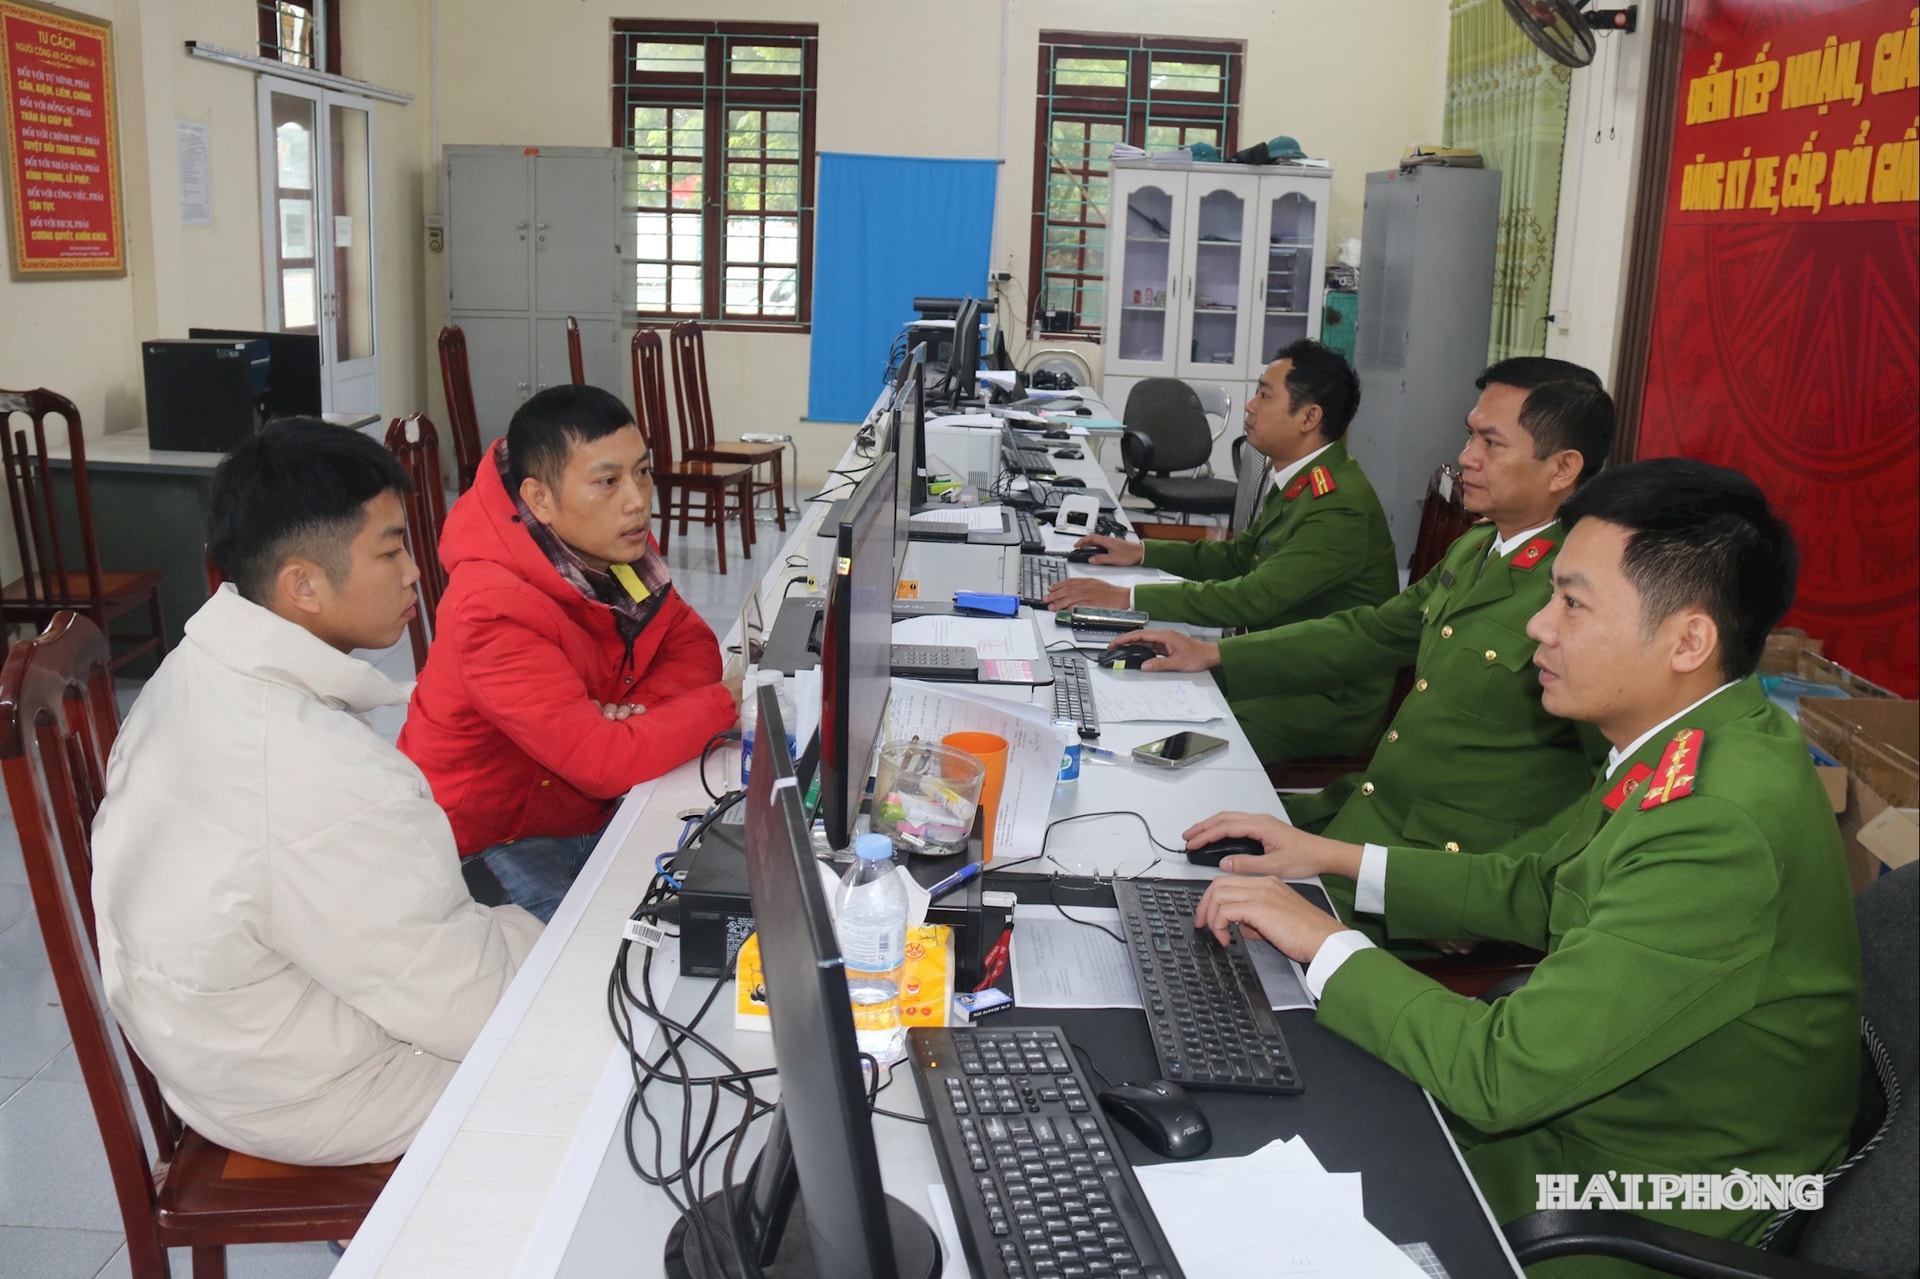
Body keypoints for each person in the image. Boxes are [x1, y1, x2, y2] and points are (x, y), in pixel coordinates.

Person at [1182, 458, 1862, 1268]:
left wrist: (1323, 942)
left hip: (1636, 1202)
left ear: (1688, 639)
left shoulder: (1715, 821)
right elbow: (1539, 883)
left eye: (1572, 602)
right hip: (1582, 1115)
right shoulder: (1696, 738)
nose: (1540, 624)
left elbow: (1503, 1074)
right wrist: (1325, 856)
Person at [90, 420, 542, 1166]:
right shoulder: (315, 769)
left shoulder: (194, 669)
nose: (413, 573)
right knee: (593, 1052)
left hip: (209, 1044)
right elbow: (472, 1005)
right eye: (391, 549)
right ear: (302, 583)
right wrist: (552, 935)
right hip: (308, 1090)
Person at [1115, 358, 1616, 934]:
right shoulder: (1479, 549)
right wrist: (1216, 653)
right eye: (1470, 434)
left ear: (1563, 469)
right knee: (1160, 830)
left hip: (1434, 875)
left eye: (1491, 442)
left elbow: (1605, 785)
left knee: (1180, 919)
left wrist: (1474, 904)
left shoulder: (1580, 599)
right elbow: (1372, 632)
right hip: (1367, 822)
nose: (1467, 457)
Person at [400, 384, 735, 921]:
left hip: (579, 812)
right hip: (488, 843)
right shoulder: (491, 607)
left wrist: (634, 718)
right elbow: (602, 763)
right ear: (539, 499)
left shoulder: (612, 547)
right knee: (602, 962)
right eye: (608, 481)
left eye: (642, 472)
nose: (637, 500)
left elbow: (690, 642)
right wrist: (720, 704)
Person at [1044, 341, 1399, 762]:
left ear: (1309, 417)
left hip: (1324, 698)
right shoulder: (1303, 480)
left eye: (1265, 395)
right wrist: (1139, 552)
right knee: (1133, 686)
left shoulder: (1338, 505)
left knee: (1171, 739)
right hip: (1275, 664)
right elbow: (1236, 558)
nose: (1250, 406)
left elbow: (1251, 599)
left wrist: (1127, 597)